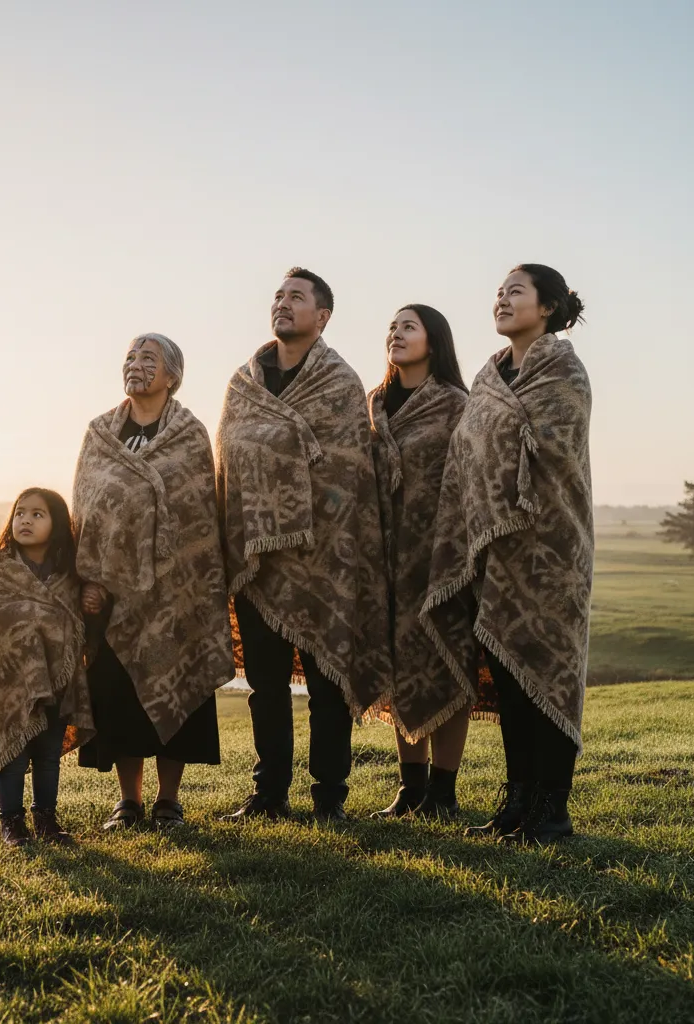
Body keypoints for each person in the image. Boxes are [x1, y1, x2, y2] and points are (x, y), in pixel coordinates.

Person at [422, 264, 592, 844]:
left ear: (546, 308)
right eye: (498, 293)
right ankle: (517, 800)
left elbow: (554, 448)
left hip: (548, 548)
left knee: (549, 673)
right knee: (512, 679)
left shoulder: (563, 368)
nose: (501, 300)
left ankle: (553, 808)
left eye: (514, 292)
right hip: (493, 551)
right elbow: (469, 457)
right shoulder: (489, 376)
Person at [216, 267, 389, 822]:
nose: (283, 304)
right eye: (278, 297)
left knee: (327, 685)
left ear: (323, 316)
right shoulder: (244, 384)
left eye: (296, 297)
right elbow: (229, 463)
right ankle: (268, 795)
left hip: (323, 557)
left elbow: (348, 470)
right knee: (264, 689)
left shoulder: (339, 382)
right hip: (256, 560)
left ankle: (329, 798)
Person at [75, 333, 234, 829]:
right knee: (120, 695)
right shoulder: (100, 434)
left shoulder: (189, 435)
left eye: (149, 358)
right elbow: (84, 507)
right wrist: (90, 577)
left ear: (173, 376)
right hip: (115, 595)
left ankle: (168, 799)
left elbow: (199, 514)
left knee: (178, 687)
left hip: (175, 590)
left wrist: (183, 576)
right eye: (129, 357)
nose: (136, 364)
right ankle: (129, 801)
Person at [367, 305, 477, 819]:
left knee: (448, 669)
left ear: (434, 340)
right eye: (392, 326)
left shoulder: (456, 405)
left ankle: (443, 793)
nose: (396, 333)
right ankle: (410, 790)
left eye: (408, 326)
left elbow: (472, 479)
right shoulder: (374, 405)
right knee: (400, 669)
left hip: (442, 557)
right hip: (385, 560)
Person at [0, 488, 95, 847]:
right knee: (14, 753)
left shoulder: (67, 574)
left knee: (48, 754)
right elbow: (3, 620)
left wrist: (93, 599)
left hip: (59, 678)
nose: (25, 520)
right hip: (13, 682)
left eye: (37, 514)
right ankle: (11, 823)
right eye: (20, 513)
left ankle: (46, 819)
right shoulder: (3, 571)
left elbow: (77, 619)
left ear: (57, 524)